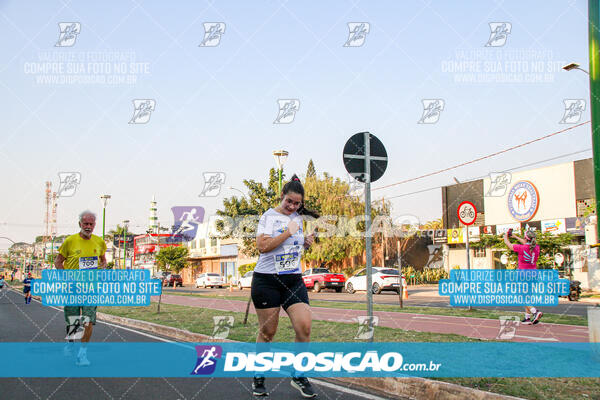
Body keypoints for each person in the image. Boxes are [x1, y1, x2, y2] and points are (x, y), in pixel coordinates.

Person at [251, 175, 319, 398]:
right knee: (268, 332)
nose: (292, 206)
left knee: (304, 327)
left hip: (292, 279)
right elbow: (262, 246)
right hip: (267, 281)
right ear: (282, 196)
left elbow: (291, 250)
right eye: (289, 201)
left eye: (297, 204)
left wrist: (305, 243)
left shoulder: (298, 219)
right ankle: (259, 376)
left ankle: (298, 375)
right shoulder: (268, 217)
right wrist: (287, 232)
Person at [54, 210, 107, 366]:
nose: (88, 226)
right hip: (72, 288)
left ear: (94, 225)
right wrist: (67, 279)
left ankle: (82, 354)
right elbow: (58, 262)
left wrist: (102, 269)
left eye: (91, 224)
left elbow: (103, 260)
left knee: (88, 321)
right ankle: (71, 343)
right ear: (80, 224)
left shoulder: (99, 242)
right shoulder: (70, 241)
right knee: (74, 321)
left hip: (90, 288)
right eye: (86, 224)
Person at [504, 229, 542, 325]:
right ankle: (527, 317)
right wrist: (515, 237)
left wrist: (506, 237)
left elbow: (509, 245)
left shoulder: (522, 248)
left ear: (526, 238)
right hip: (533, 274)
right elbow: (527, 243)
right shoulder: (537, 247)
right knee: (527, 296)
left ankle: (535, 311)